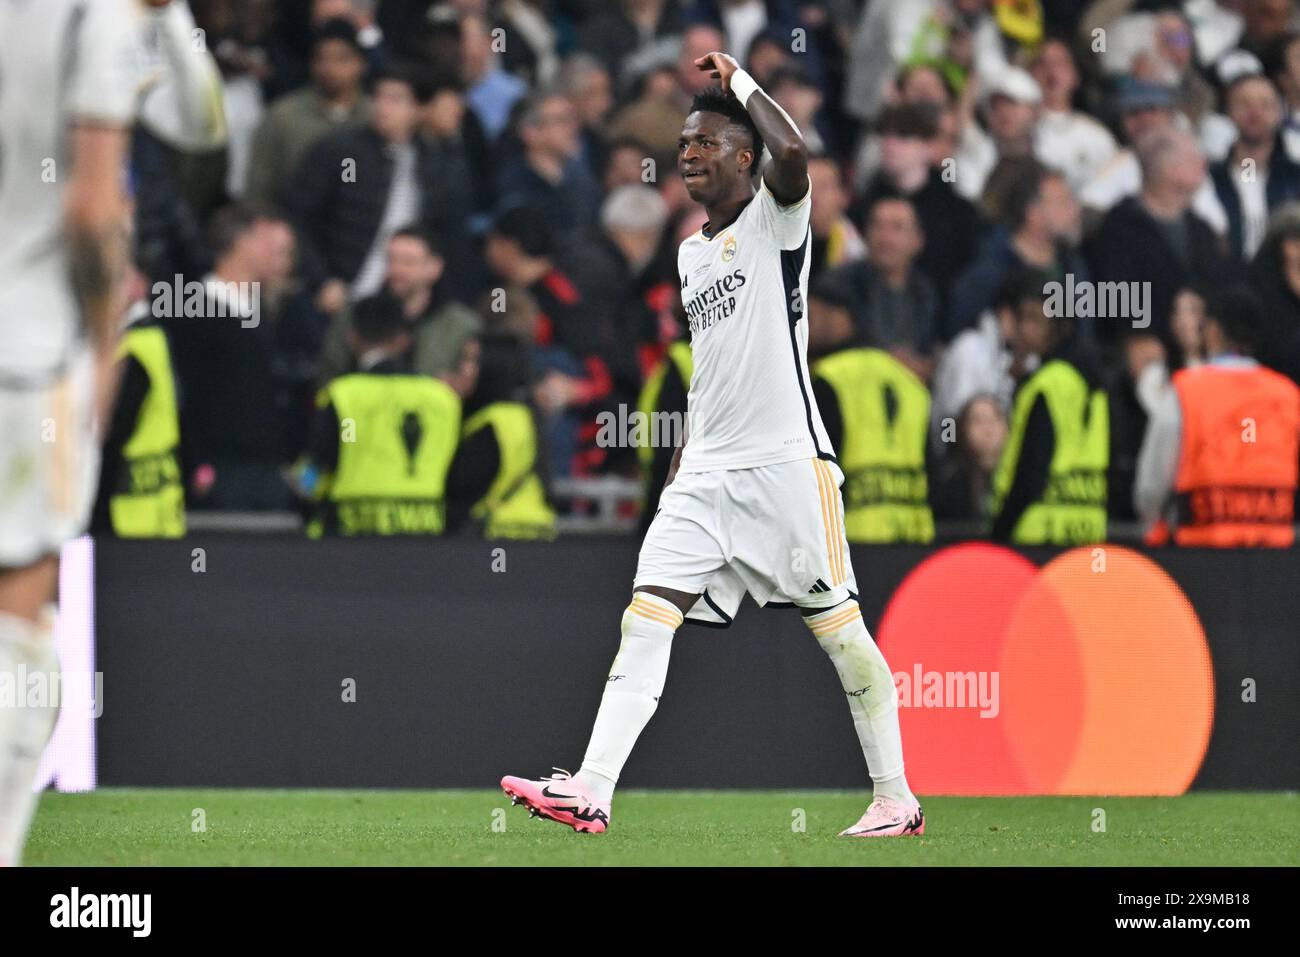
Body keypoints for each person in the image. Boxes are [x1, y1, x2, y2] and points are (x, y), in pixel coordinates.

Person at [501, 52, 922, 839]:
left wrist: (741, 84)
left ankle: (896, 797)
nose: (687, 154)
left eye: (705, 142)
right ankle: (592, 787)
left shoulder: (777, 217)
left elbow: (796, 156)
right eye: (684, 143)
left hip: (787, 467)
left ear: (744, 155)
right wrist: (676, 470)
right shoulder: (691, 253)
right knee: (644, 617)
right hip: (704, 475)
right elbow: (709, 375)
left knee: (844, 639)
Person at [0, 0, 224, 867]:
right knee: (19, 620)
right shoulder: (91, 12)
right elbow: (107, 201)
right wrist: (103, 342)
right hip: (25, 354)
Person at [1135, 287, 1300, 547]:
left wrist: (1154, 522)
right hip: (1275, 557)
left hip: (1200, 557)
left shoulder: (1186, 392)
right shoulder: (1289, 396)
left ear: (1213, 330)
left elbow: (1151, 487)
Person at [304, 294, 468, 537]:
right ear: (404, 340)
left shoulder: (343, 395)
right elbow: (458, 472)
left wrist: (300, 493)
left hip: (352, 529)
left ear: (352, 337)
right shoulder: (443, 398)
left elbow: (319, 464)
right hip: (425, 532)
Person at [990, 280, 1109, 544]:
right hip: (1086, 529)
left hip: (1038, 532)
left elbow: (1031, 472)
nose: (1023, 329)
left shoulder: (1047, 384)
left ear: (1058, 326)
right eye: (1022, 318)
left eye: (1034, 319)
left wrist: (999, 532)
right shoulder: (1095, 384)